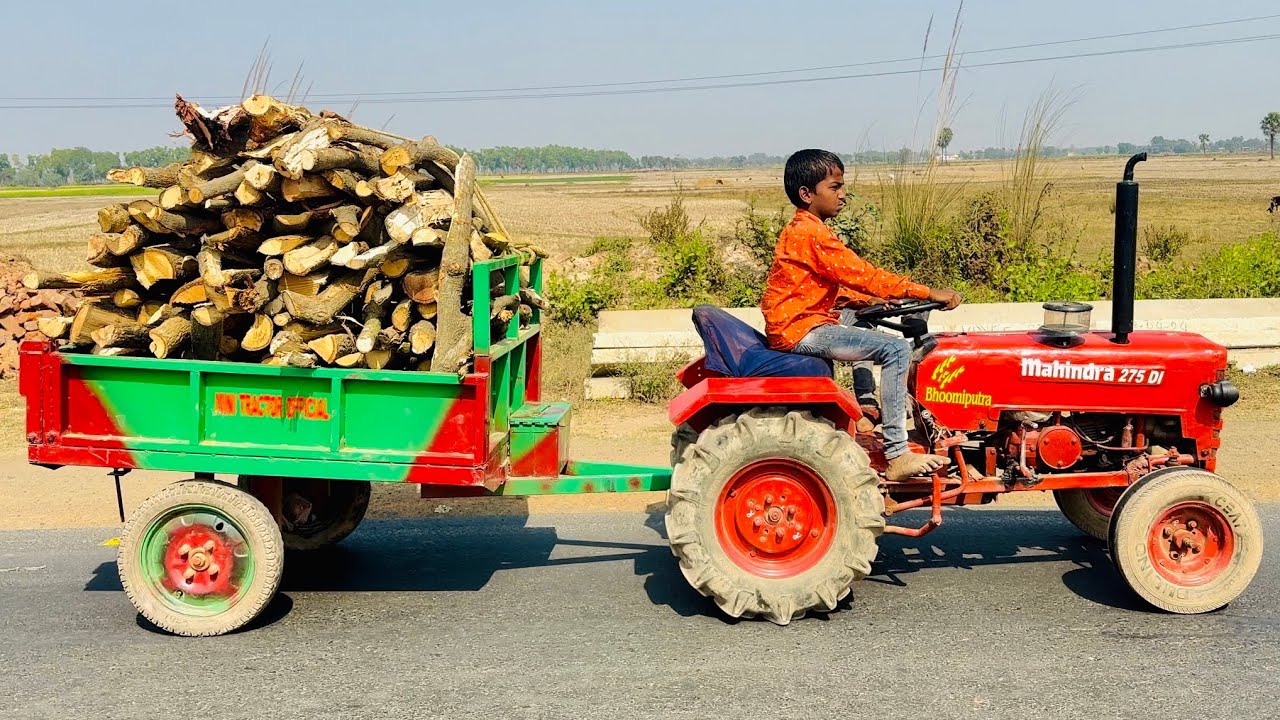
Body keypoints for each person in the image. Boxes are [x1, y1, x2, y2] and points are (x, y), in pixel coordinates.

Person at [761, 149, 962, 482]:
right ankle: (898, 453)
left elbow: (817, 286)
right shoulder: (811, 234)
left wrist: (865, 301)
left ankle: (879, 417)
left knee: (867, 325)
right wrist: (926, 292)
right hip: (802, 329)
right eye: (835, 187)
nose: (844, 195)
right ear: (807, 194)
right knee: (895, 349)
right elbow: (864, 274)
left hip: (800, 321)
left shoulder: (802, 229)